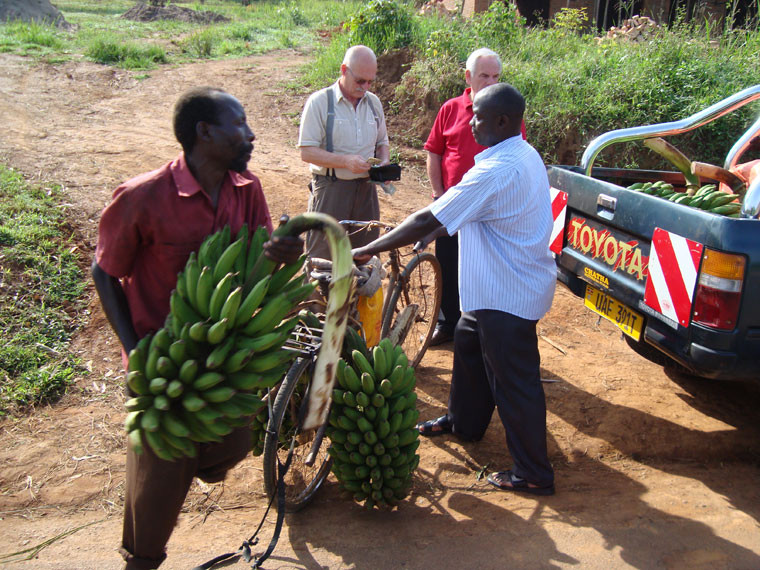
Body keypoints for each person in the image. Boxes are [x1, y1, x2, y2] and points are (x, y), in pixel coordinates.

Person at [91, 87, 303, 570]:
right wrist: (133, 351)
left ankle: (200, 466)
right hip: (163, 363)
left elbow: (257, 259)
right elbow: (105, 270)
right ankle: (141, 559)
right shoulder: (145, 196)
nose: (251, 134)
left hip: (225, 355)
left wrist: (278, 254)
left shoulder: (247, 190)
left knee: (231, 445)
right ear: (204, 132)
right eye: (240, 124)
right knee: (157, 489)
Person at [353, 83, 556, 495]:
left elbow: (430, 217)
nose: (470, 122)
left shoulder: (497, 169)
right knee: (466, 345)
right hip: (493, 289)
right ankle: (463, 423)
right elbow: (465, 212)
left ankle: (533, 473)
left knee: (515, 384)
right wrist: (434, 230)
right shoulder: (520, 153)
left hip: (508, 295)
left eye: (478, 116)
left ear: (502, 121)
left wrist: (368, 248)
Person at [423, 48, 526, 346]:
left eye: (496, 76)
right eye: (484, 75)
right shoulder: (450, 109)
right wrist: (439, 196)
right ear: (468, 77)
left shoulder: (506, 114)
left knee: (485, 270)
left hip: (490, 213)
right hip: (453, 205)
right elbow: (434, 152)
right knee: (447, 265)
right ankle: (447, 323)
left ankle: (482, 329)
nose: (491, 81)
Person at [297, 44, 390, 259]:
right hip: (331, 190)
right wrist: (345, 162)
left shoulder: (374, 103)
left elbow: (382, 141)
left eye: (370, 81)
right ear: (343, 70)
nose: (365, 86)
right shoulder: (320, 102)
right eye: (360, 81)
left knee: (365, 257)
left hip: (366, 191)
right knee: (323, 260)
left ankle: (358, 294)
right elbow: (307, 152)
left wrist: (384, 161)